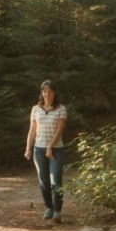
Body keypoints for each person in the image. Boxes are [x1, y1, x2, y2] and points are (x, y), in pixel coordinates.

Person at [24, 80, 67, 223]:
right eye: (45, 91)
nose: (47, 94)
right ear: (42, 93)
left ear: (55, 93)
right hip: (39, 149)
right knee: (44, 181)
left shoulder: (61, 109)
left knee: (56, 180)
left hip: (56, 150)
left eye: (50, 91)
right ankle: (49, 207)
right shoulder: (35, 109)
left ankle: (57, 211)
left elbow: (60, 131)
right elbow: (32, 131)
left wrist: (50, 147)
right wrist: (28, 148)